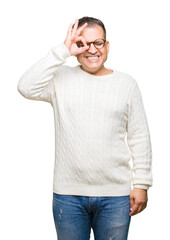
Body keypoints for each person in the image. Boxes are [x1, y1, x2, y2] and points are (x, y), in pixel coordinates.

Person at [17, 16, 153, 240]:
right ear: (76, 48)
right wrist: (62, 50)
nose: (92, 50)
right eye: (83, 43)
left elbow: (139, 136)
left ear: (107, 46)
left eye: (97, 42)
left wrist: (142, 184)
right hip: (68, 196)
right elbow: (25, 86)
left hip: (115, 196)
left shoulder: (126, 84)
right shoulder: (60, 78)